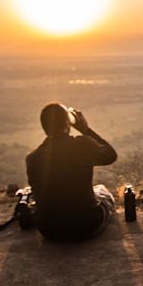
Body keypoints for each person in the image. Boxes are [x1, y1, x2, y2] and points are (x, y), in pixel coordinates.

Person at [26, 103, 118, 241]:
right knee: (102, 191)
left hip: (49, 230)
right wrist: (86, 130)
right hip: (87, 225)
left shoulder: (32, 158)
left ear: (44, 127)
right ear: (67, 124)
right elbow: (111, 155)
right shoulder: (82, 145)